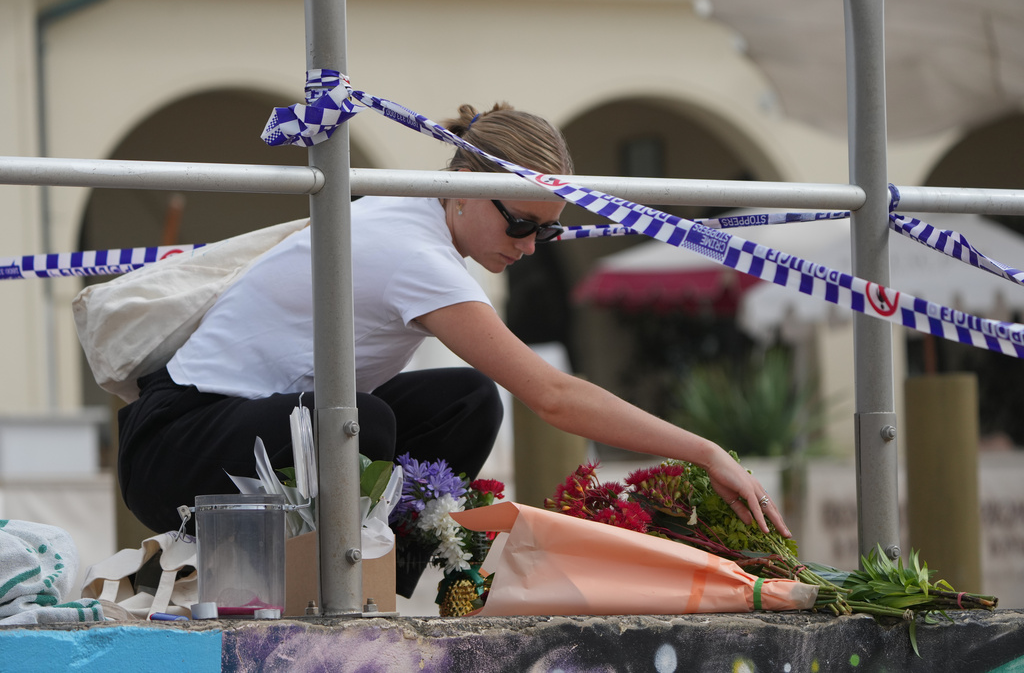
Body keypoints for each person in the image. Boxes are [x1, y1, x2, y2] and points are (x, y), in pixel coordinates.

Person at [116, 102, 789, 597]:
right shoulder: (418, 255)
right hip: (172, 448)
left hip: (232, 427)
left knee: (467, 399)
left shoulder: (416, 215)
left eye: (545, 235)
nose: (527, 247)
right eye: (520, 223)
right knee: (360, 422)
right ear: (466, 182)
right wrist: (703, 448)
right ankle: (347, 576)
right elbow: (552, 395)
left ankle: (404, 563)